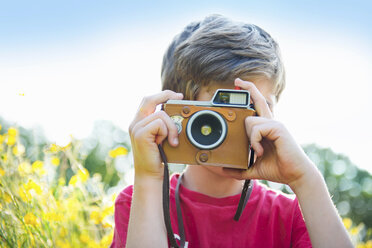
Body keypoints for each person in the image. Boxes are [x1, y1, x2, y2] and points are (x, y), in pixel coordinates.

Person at [111, 15, 352, 247]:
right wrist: (149, 176)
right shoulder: (139, 203)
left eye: (256, 107)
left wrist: (305, 180)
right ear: (180, 111)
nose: (240, 123)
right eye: (223, 108)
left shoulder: (292, 216)